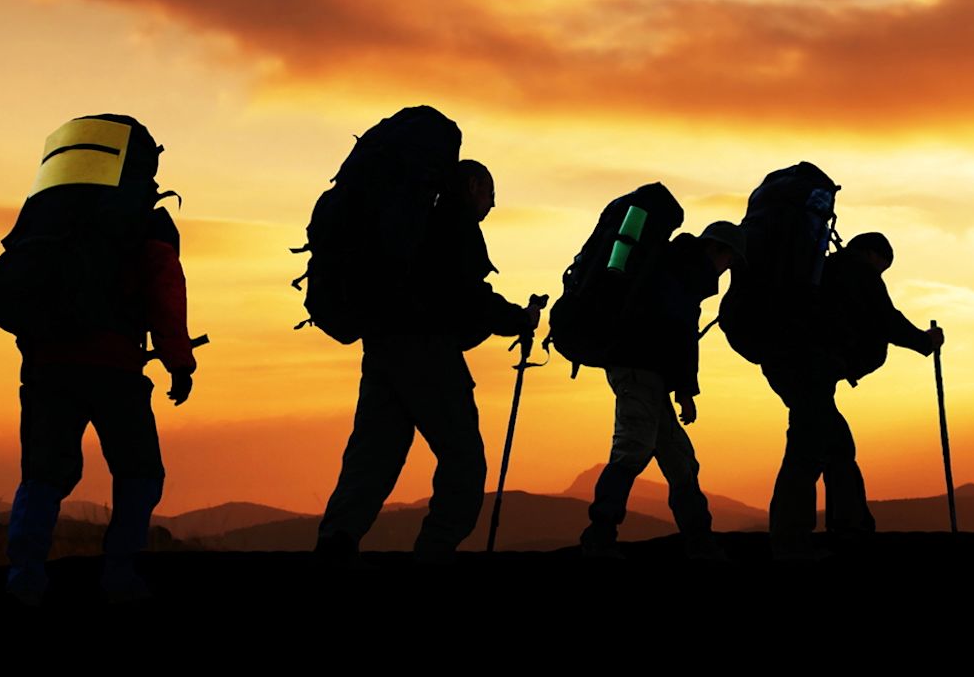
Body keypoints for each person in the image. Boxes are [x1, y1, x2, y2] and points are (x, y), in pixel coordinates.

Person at [0, 114, 196, 605]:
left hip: (45, 364)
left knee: (43, 473)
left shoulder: (44, 214)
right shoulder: (143, 221)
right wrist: (179, 362)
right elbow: (165, 295)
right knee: (139, 471)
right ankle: (120, 573)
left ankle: (24, 576)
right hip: (115, 369)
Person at [315, 159, 542, 564]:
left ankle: (337, 540)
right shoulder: (455, 226)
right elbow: (467, 297)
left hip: (382, 349)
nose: (492, 205)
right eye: (490, 194)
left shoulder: (410, 225)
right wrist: (517, 319)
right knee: (464, 460)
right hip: (428, 354)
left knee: (372, 457)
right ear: (473, 186)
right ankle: (434, 551)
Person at [765, 231, 940, 561]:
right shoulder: (857, 272)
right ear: (873, 255)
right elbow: (886, 319)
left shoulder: (824, 270)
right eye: (882, 268)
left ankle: (849, 527)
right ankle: (792, 544)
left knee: (837, 445)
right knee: (807, 453)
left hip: (793, 367)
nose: (880, 275)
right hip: (810, 370)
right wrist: (924, 341)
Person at [580, 221, 746, 561]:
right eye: (729, 260)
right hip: (639, 367)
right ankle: (599, 537)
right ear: (716, 250)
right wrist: (686, 390)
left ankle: (699, 540)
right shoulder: (684, 272)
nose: (727, 269)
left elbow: (674, 333)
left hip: (645, 371)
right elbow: (678, 334)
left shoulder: (676, 265)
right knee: (632, 449)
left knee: (680, 460)